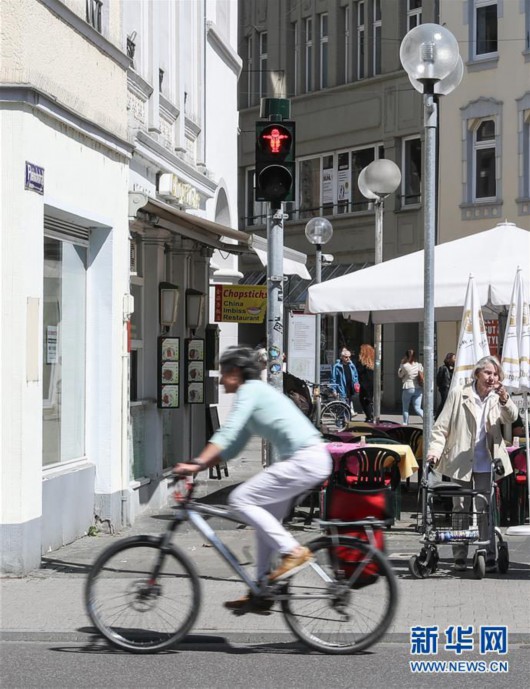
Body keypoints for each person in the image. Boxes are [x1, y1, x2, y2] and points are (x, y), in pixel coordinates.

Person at [173, 346, 331, 613]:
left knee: (240, 499)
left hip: (304, 460)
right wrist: (197, 465)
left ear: (235, 373)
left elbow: (227, 433)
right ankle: (261, 589)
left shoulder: (250, 391)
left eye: (223, 373)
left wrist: (197, 464)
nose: (221, 380)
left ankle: (294, 552)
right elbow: (232, 448)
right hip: (307, 461)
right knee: (264, 524)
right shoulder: (255, 395)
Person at [426, 355, 518, 573]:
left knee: (485, 508)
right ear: (477, 374)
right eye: (487, 373)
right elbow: (442, 427)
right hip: (460, 460)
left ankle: (488, 552)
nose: (491, 377)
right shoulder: (459, 394)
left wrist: (505, 398)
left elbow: (511, 417)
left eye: (495, 374)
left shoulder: (498, 398)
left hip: (487, 460)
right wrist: (434, 451)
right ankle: (459, 556)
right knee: (460, 508)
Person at [397, 349, 424, 425]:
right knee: (418, 408)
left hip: (408, 387)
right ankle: (427, 420)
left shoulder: (405, 366)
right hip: (418, 388)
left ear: (406, 356)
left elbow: (400, 375)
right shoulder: (419, 365)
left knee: (405, 407)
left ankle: (405, 422)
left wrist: (401, 365)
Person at [330, 348, 360, 415]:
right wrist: (334, 390)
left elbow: (355, 376)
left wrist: (356, 384)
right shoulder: (337, 366)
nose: (348, 358)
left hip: (350, 388)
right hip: (342, 389)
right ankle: (341, 421)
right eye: (346, 357)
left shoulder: (351, 365)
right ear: (342, 357)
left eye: (349, 357)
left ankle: (347, 421)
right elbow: (333, 379)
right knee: (342, 407)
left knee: (348, 406)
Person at [356, 344, 375, 422]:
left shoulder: (362, 362)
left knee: (363, 400)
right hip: (371, 383)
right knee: (368, 400)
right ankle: (370, 416)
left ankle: (369, 417)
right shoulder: (372, 362)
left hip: (364, 383)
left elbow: (359, 371)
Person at [435, 352, 455, 419]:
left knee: (449, 402)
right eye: (454, 357)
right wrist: (440, 386)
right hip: (445, 387)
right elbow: (438, 378)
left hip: (451, 387)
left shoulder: (453, 368)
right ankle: (437, 416)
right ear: (449, 359)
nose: (455, 359)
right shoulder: (443, 368)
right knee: (444, 402)